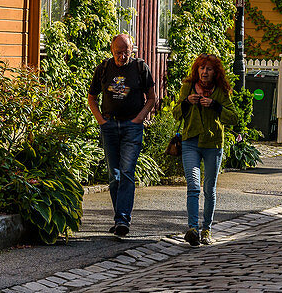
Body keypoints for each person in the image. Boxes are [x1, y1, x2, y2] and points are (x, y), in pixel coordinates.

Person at [87, 33, 156, 239]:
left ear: (132, 50)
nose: (122, 56)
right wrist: (101, 120)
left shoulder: (140, 68)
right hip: (109, 125)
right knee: (114, 175)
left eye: (126, 52)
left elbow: (152, 98)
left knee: (126, 172)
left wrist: (139, 119)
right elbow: (92, 98)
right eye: (118, 52)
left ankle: (122, 220)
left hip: (132, 126)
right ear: (111, 50)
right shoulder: (104, 68)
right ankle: (120, 219)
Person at [172, 53, 238, 246]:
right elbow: (176, 114)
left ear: (215, 72)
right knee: (193, 186)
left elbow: (233, 117)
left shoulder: (221, 91)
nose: (204, 72)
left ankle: (206, 229)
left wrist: (215, 106)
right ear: (197, 70)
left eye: (208, 69)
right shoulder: (188, 87)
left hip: (213, 144)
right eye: (201, 68)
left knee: (209, 188)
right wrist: (186, 103)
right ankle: (192, 229)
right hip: (191, 141)